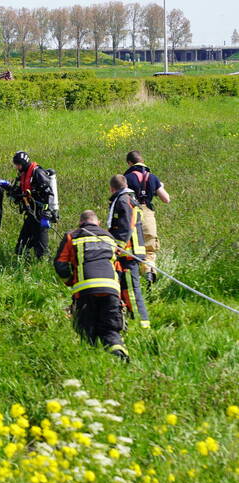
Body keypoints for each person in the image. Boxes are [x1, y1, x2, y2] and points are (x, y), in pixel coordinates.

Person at [53, 210, 129, 362]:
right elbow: (120, 268)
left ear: (80, 223)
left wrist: (70, 281)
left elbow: (60, 264)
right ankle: (118, 352)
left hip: (85, 290)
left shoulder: (72, 236)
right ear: (98, 223)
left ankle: (90, 360)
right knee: (110, 329)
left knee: (86, 330)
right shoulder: (110, 237)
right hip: (111, 289)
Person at [106, 174, 149, 329]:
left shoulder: (123, 201)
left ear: (112, 188)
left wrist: (116, 247)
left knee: (131, 291)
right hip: (128, 252)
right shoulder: (129, 199)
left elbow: (126, 226)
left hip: (128, 253)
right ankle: (131, 321)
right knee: (125, 289)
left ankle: (142, 324)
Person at [124, 150, 170, 283]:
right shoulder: (153, 177)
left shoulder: (126, 178)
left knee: (133, 249)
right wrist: (158, 186)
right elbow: (166, 199)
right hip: (148, 215)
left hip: (132, 216)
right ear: (142, 161)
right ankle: (149, 273)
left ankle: (135, 280)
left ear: (129, 163)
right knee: (150, 250)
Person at [7, 151, 56, 259]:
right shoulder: (23, 174)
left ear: (23, 163)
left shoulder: (37, 172)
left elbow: (49, 194)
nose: (17, 167)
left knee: (41, 250)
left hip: (41, 215)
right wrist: (9, 189)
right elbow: (21, 192)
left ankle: (43, 267)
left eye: (18, 165)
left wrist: (46, 212)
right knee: (21, 245)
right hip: (31, 214)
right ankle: (24, 265)